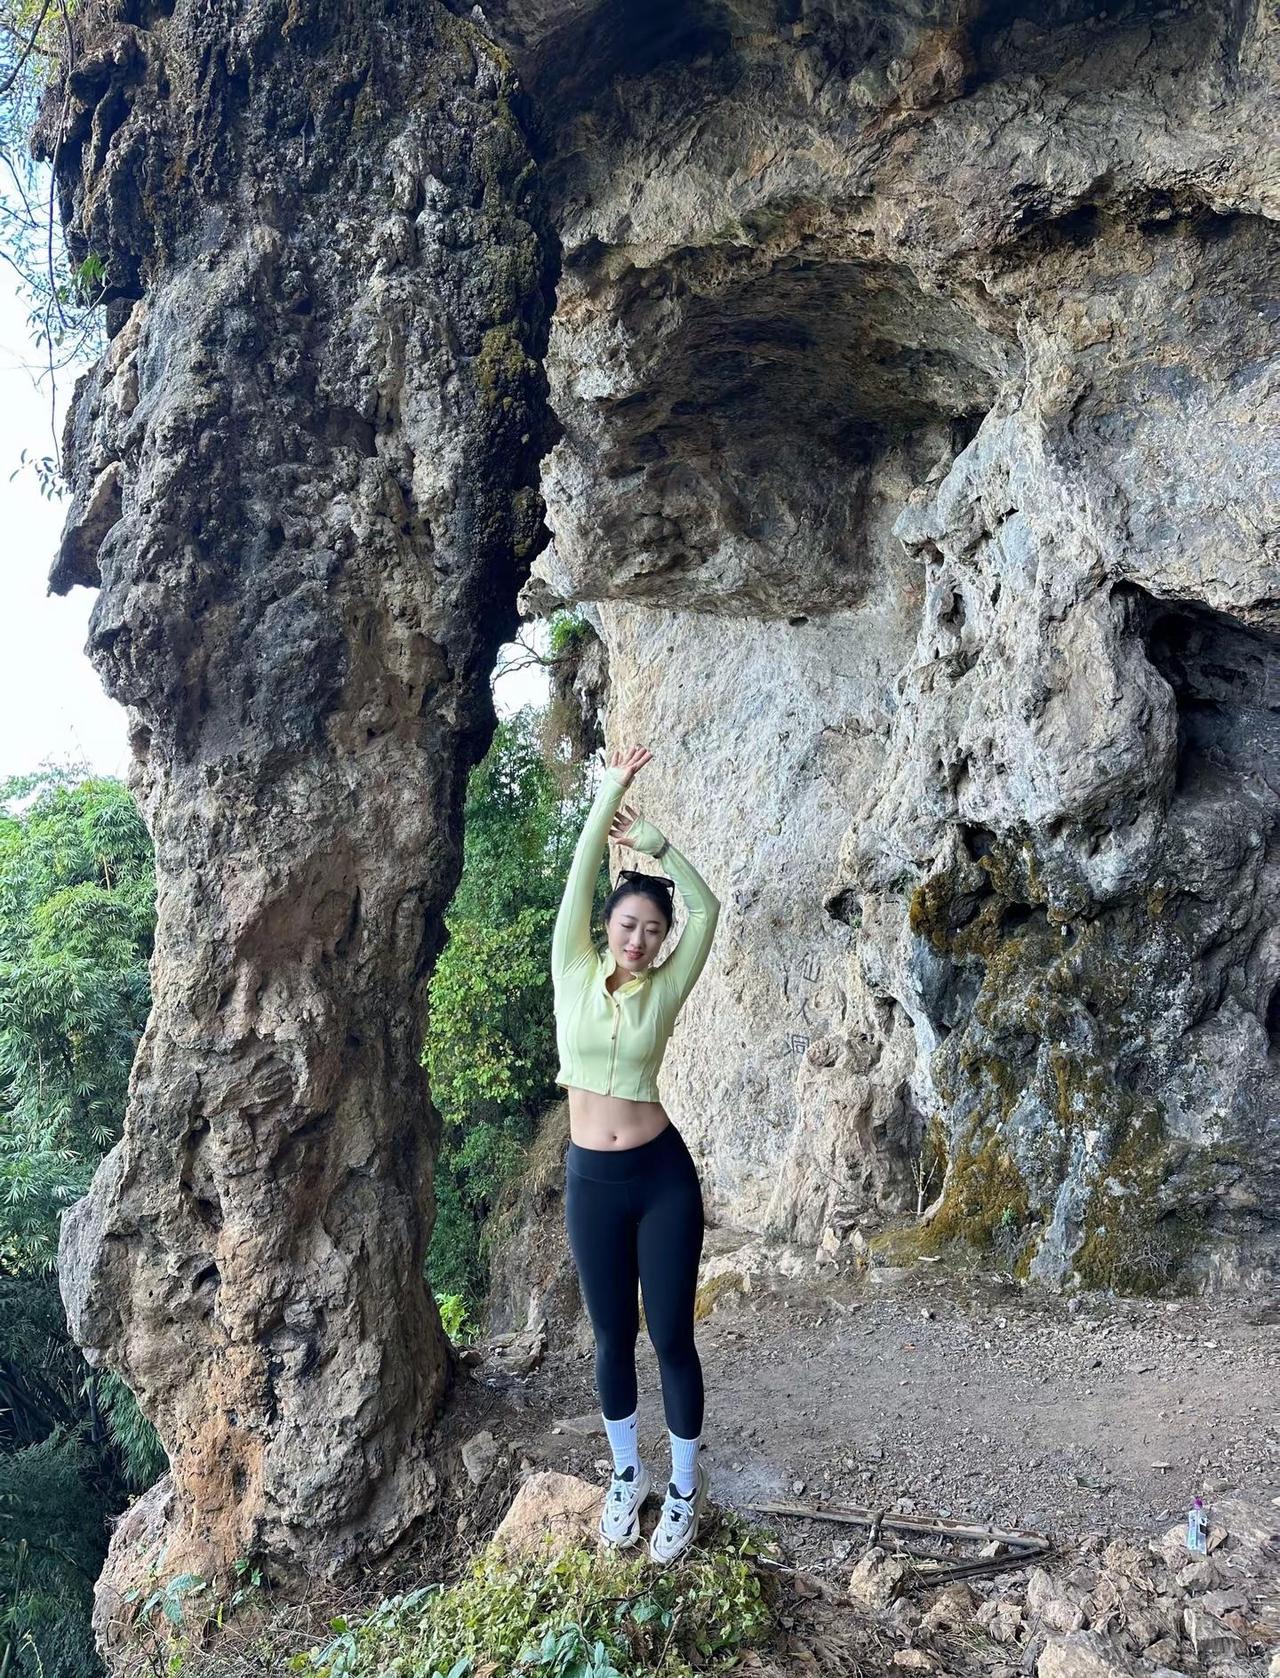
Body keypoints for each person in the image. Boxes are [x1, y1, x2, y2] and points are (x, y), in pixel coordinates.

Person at [551, 743, 721, 1563]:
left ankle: (684, 1489)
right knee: (611, 1338)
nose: (641, 940)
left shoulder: (666, 985)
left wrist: (660, 846)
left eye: (653, 931)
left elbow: (708, 910)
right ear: (607, 927)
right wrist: (609, 792)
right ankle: (629, 1475)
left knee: (672, 1339)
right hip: (593, 1181)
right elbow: (582, 872)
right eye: (629, 925)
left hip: (661, 1178)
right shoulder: (572, 967)